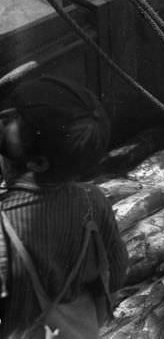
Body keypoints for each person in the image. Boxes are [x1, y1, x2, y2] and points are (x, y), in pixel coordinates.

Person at [0, 76, 128, 338]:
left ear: (37, 164)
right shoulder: (93, 199)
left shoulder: (4, 229)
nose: (4, 117)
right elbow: (115, 270)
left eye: (12, 121)